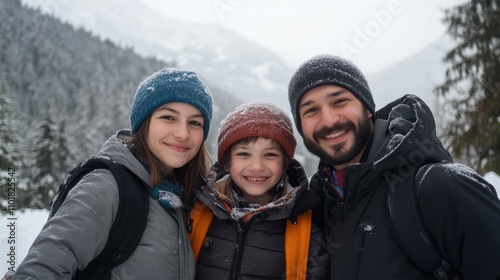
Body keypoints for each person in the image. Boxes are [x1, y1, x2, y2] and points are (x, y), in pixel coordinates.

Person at [287, 54, 500, 280]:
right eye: (311, 110)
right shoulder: (321, 206)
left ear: (367, 108)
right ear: (301, 128)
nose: (329, 120)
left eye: (339, 101)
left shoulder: (441, 187)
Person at [12, 68, 213, 279]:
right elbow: (40, 269)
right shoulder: (106, 187)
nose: (182, 133)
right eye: (168, 117)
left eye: (195, 122)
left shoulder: (187, 197)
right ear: (144, 123)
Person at [187, 101, 328, 280]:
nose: (256, 166)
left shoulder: (306, 224)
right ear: (227, 163)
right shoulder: (199, 208)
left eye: (270, 155)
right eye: (244, 154)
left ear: (285, 163)